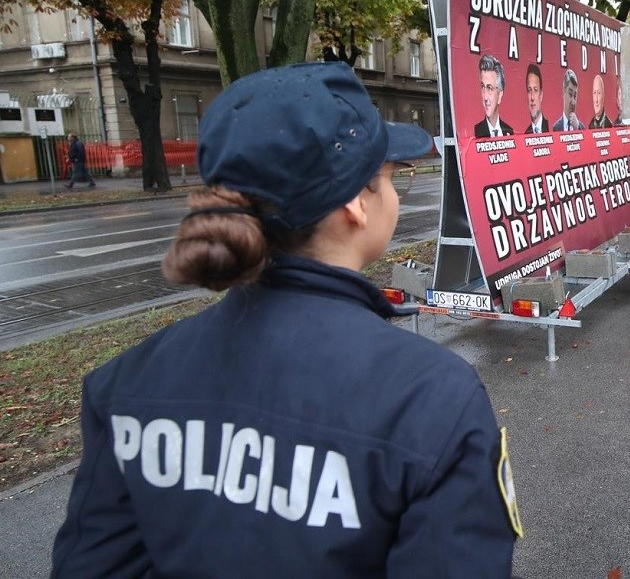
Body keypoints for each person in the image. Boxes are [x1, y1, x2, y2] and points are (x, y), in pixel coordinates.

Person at [53, 62, 520, 577]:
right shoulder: (435, 400)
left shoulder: (125, 385)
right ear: (354, 204)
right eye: (391, 178)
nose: (394, 194)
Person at [475, 54, 514, 137]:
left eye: (489, 88)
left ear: (500, 95)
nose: (485, 97)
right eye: (482, 87)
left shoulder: (509, 132)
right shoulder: (475, 133)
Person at [524, 63, 547, 134]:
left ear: (541, 95)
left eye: (536, 90)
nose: (532, 97)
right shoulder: (525, 135)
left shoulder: (551, 128)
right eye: (529, 90)